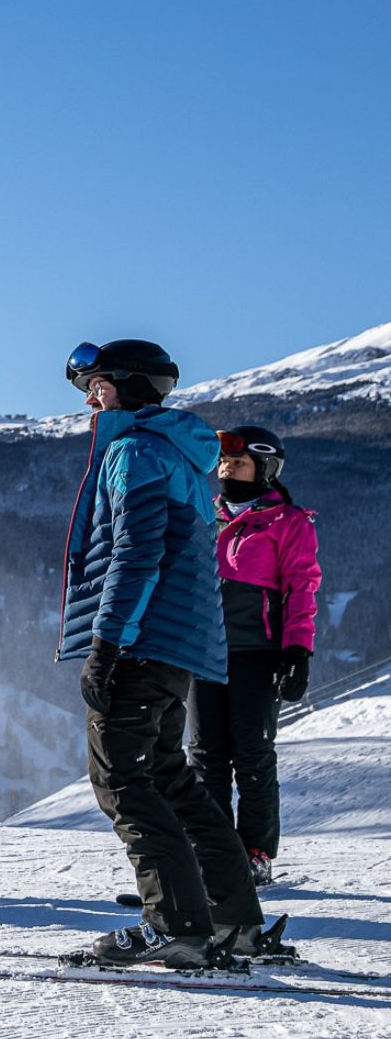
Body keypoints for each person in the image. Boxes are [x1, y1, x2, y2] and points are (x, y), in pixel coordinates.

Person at [58, 339, 264, 966]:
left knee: (122, 778)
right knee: (172, 779)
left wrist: (106, 642)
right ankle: (233, 922)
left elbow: (136, 553)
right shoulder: (181, 453)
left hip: (143, 641)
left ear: (129, 384)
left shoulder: (133, 452)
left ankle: (175, 925)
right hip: (179, 645)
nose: (92, 397)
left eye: (98, 384)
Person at [192, 425, 321, 885]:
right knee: (205, 757)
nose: (227, 470)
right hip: (204, 652)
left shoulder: (288, 522)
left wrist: (296, 651)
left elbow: (301, 588)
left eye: (239, 463)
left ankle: (255, 853)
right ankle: (211, 853)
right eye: (224, 463)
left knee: (252, 756)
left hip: (256, 653)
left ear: (265, 469)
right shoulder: (207, 515)